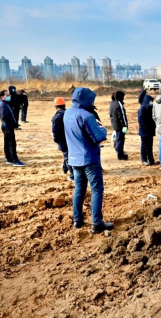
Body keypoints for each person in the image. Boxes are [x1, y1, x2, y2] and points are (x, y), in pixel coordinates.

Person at [63, 87, 113, 234]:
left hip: (74, 159)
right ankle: (96, 223)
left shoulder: (67, 113)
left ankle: (77, 220)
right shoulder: (87, 116)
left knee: (79, 189)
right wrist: (103, 129)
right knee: (97, 189)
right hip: (89, 158)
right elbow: (98, 137)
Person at [0, 90, 25, 167]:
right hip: (8, 126)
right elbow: (4, 116)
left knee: (7, 143)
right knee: (12, 143)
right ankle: (15, 160)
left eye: (9, 95)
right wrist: (13, 123)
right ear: (2, 97)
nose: (9, 96)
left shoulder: (5, 103)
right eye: (7, 95)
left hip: (6, 126)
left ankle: (9, 158)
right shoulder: (3, 104)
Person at [51, 97, 74, 181]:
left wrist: (56, 139)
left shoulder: (57, 117)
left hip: (63, 140)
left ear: (56, 106)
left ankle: (73, 175)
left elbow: (55, 131)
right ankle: (65, 168)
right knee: (69, 154)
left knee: (67, 156)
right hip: (72, 138)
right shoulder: (70, 113)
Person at [138, 92, 159, 166]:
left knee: (150, 146)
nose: (151, 102)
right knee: (144, 146)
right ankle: (144, 159)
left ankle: (151, 159)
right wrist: (146, 128)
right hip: (144, 131)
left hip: (150, 131)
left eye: (151, 101)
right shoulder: (142, 109)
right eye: (150, 101)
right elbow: (141, 121)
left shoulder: (151, 108)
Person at [109, 90, 129, 160]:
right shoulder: (118, 104)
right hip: (120, 126)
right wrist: (125, 126)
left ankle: (119, 151)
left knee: (118, 139)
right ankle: (120, 155)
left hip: (115, 125)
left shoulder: (112, 104)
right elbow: (122, 116)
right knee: (120, 140)